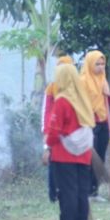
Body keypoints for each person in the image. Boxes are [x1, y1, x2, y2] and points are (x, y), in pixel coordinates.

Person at [43, 64, 95, 220]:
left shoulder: (62, 100)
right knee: (82, 191)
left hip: (64, 154)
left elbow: (54, 129)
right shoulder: (83, 98)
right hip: (84, 152)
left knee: (67, 191)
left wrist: (48, 147)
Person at [43, 55, 76, 203]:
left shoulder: (77, 88)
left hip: (71, 133)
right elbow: (46, 111)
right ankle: (53, 194)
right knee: (53, 162)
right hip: (55, 130)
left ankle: (67, 192)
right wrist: (47, 133)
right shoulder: (52, 88)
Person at [79, 50, 110, 198]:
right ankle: (86, 190)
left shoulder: (103, 80)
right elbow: (80, 104)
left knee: (100, 157)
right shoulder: (83, 81)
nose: (100, 67)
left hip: (103, 122)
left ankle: (95, 190)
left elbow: (107, 105)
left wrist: (107, 94)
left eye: (102, 64)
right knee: (89, 158)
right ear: (90, 64)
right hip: (89, 124)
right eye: (97, 64)